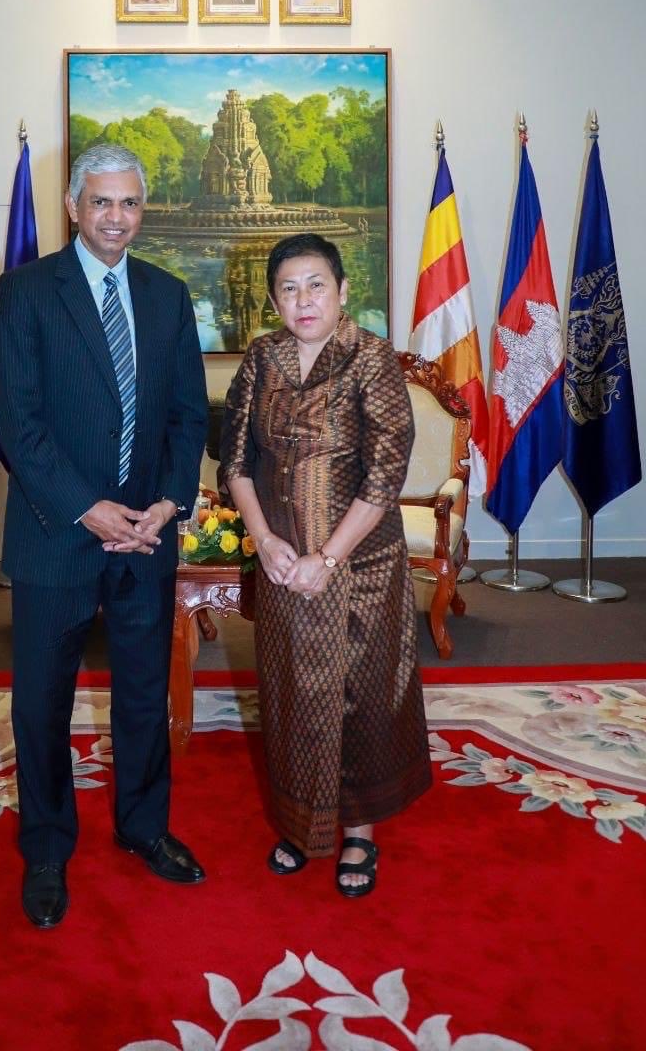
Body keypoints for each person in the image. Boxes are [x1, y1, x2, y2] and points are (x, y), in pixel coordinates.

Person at [0, 143, 208, 929]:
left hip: (146, 534)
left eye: (130, 203)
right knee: (41, 703)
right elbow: (17, 422)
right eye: (102, 202)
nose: (117, 217)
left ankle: (144, 827)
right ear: (74, 207)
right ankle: (47, 847)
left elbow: (187, 414)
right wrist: (87, 508)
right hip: (57, 533)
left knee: (145, 694)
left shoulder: (167, 295)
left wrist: (169, 502)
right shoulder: (25, 291)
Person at [220, 233, 431, 898]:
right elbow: (235, 463)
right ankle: (300, 821)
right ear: (273, 299)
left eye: (316, 285)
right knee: (291, 694)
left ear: (342, 291)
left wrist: (329, 557)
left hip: (359, 562)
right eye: (288, 288)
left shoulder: (371, 357)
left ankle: (360, 830)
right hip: (284, 563)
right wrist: (264, 542)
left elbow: (385, 473)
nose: (303, 299)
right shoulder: (262, 357)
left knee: (362, 696)